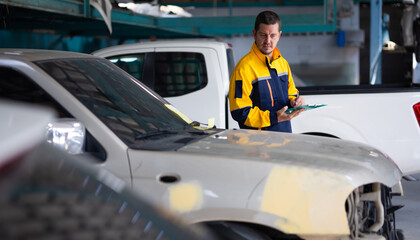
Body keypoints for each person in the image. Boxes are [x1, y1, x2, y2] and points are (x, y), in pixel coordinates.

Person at [229, 10, 305, 133]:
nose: (268, 41)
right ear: (254, 34)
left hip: (284, 138)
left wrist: (296, 102)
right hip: (258, 144)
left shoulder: (283, 64)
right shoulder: (244, 68)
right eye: (263, 35)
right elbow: (239, 112)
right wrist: (273, 118)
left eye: (273, 35)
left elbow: (291, 93)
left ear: (279, 35)